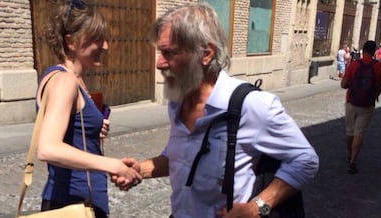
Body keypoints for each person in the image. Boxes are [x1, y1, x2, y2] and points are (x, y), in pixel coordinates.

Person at [114, 3, 319, 218]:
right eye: (159, 52)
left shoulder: (252, 105)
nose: (158, 63)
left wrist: (256, 207)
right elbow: (181, 158)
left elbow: (304, 159)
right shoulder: (178, 102)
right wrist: (140, 169)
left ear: (206, 54)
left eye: (169, 53)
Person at [37, 1, 142, 217]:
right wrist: (112, 165)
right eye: (96, 39)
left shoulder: (70, 79)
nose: (105, 46)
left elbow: (69, 132)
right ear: (71, 41)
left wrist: (93, 131)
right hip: (72, 203)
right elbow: (48, 148)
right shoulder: (64, 81)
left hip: (80, 199)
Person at [340, 40, 381, 174]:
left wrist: (351, 85)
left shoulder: (354, 65)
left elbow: (343, 84)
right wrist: (375, 95)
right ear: (374, 52)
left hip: (351, 102)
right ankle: (353, 161)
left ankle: (349, 154)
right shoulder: (379, 67)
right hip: (368, 104)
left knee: (349, 131)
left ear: (363, 50)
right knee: (359, 132)